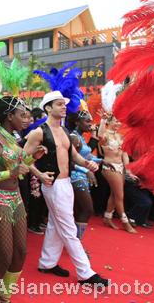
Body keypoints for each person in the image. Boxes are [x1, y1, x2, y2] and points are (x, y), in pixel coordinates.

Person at [24, 91, 108, 286]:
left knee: (55, 224)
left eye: (64, 104)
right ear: (48, 108)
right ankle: (86, 273)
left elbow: (74, 156)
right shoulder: (38, 132)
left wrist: (88, 164)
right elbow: (21, 158)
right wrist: (40, 175)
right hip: (53, 185)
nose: (64, 107)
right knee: (69, 228)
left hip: (66, 183)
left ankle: (47, 263)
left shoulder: (64, 132)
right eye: (59, 104)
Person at [0, 97, 47, 303]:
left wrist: (31, 158)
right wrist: (12, 173)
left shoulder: (13, 138)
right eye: (22, 114)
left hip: (15, 197)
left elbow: (17, 165)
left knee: (21, 252)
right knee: (5, 256)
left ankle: (4, 298)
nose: (27, 119)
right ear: (9, 116)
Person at [98, 112, 137, 233]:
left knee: (115, 194)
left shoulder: (120, 136)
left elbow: (124, 154)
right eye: (115, 121)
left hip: (120, 167)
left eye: (119, 121)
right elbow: (99, 136)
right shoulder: (105, 135)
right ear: (109, 122)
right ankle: (125, 221)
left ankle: (107, 217)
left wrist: (128, 170)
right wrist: (102, 121)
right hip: (109, 167)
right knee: (120, 195)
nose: (118, 123)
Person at [67, 111, 103, 241]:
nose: (90, 124)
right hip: (75, 177)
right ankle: (76, 243)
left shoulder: (80, 137)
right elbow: (70, 161)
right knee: (87, 209)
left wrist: (103, 161)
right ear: (77, 122)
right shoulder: (74, 137)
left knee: (79, 210)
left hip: (82, 178)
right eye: (87, 121)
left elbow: (87, 157)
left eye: (91, 121)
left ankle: (74, 242)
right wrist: (86, 171)